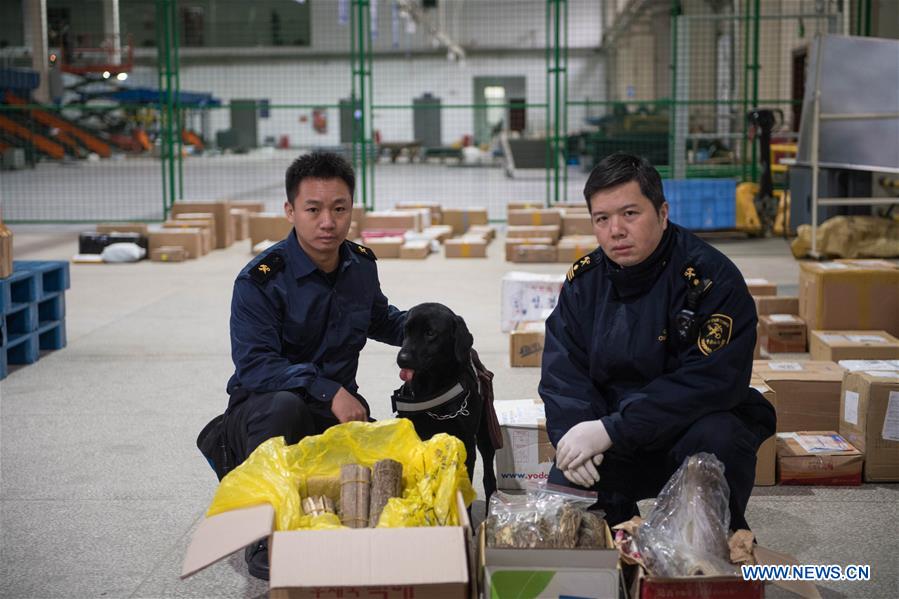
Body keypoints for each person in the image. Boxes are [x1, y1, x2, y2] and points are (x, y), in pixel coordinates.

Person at [539, 152, 775, 532]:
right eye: (602, 219)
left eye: (630, 214)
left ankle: (713, 541)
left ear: (663, 213)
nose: (615, 230)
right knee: (569, 502)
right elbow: (563, 370)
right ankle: (618, 537)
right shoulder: (585, 282)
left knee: (721, 438)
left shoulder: (712, 280)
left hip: (685, 432)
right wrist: (576, 431)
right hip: (614, 437)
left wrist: (613, 428)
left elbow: (711, 382)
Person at [219, 151, 406, 579]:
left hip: (333, 409)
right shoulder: (261, 281)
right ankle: (261, 529)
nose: (328, 222)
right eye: (314, 209)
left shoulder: (360, 265)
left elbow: (381, 319)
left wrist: (434, 329)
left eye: (339, 209)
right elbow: (255, 366)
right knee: (286, 406)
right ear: (290, 211)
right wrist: (328, 389)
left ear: (350, 210)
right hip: (263, 413)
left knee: (391, 463)